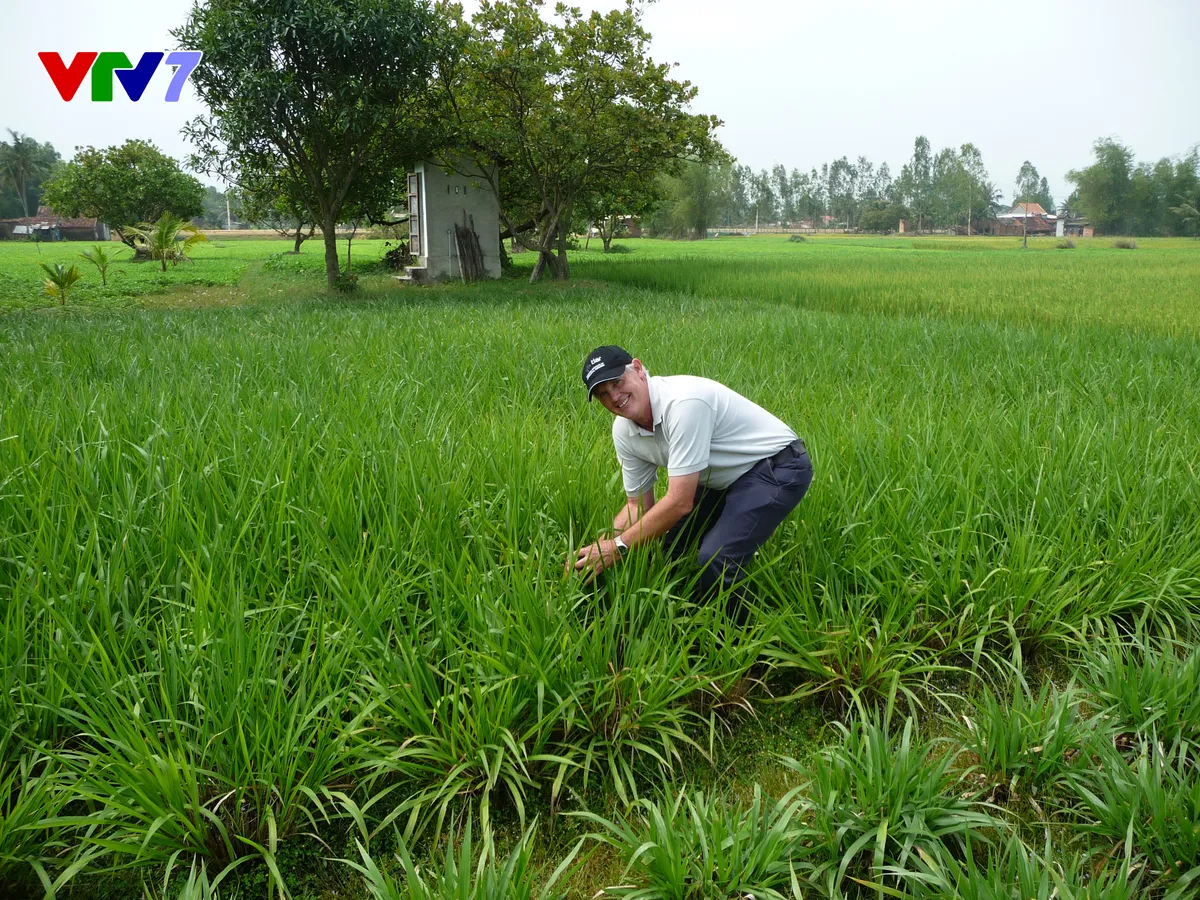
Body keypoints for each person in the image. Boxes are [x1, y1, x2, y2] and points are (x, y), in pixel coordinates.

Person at [567, 345, 813, 620]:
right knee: (673, 549)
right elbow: (637, 506)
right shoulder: (624, 431)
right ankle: (688, 616)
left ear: (638, 369)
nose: (614, 396)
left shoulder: (684, 404)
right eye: (602, 394)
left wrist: (619, 547)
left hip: (777, 466)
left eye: (617, 382)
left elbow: (680, 502)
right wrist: (601, 546)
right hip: (719, 476)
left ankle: (743, 639)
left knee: (717, 558)